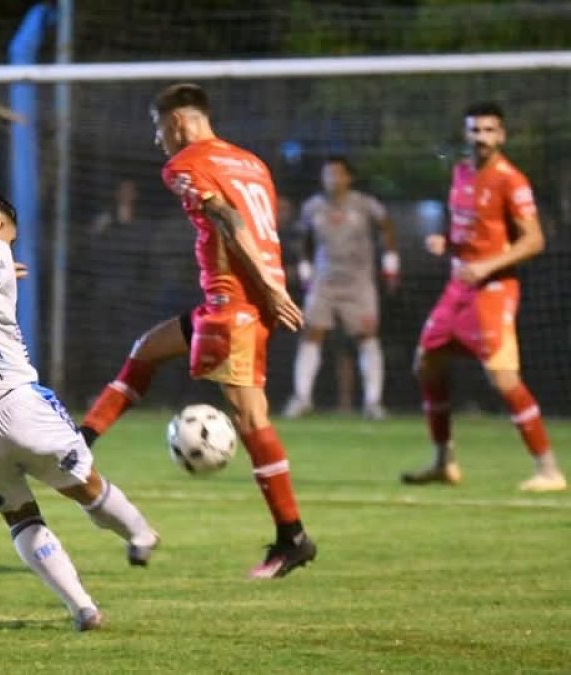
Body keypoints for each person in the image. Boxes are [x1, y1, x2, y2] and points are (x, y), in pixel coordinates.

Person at [79, 83, 316, 579]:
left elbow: (230, 220)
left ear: (180, 124)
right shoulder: (251, 163)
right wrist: (272, 285)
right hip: (236, 299)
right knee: (147, 349)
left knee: (250, 419)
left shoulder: (185, 165)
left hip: (238, 302)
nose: (159, 141)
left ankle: (292, 537)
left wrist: (270, 290)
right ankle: (81, 441)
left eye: (159, 129)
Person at [0, 190, 160, 632]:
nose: (8, 250)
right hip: (15, 404)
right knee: (85, 485)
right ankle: (140, 536)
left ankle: (82, 607)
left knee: (19, 516)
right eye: (9, 240)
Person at [401, 102, 566, 492]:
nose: (482, 138)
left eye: (490, 131)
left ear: (502, 135)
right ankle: (444, 461)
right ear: (467, 134)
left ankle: (549, 470)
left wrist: (487, 265)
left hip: (493, 288)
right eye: (475, 130)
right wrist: (447, 242)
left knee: (503, 376)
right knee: (426, 362)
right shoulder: (460, 171)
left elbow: (534, 240)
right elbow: (467, 229)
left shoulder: (512, 180)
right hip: (459, 286)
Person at [283, 155, 399, 420]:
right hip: (324, 282)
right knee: (312, 333)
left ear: (348, 177)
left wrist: (390, 264)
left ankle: (373, 402)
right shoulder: (313, 207)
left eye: (337, 174)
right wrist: (305, 269)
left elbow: (387, 228)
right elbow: (303, 239)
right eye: (327, 174)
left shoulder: (365, 204)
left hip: (359, 283)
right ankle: (302, 398)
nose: (332, 179)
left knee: (367, 337)